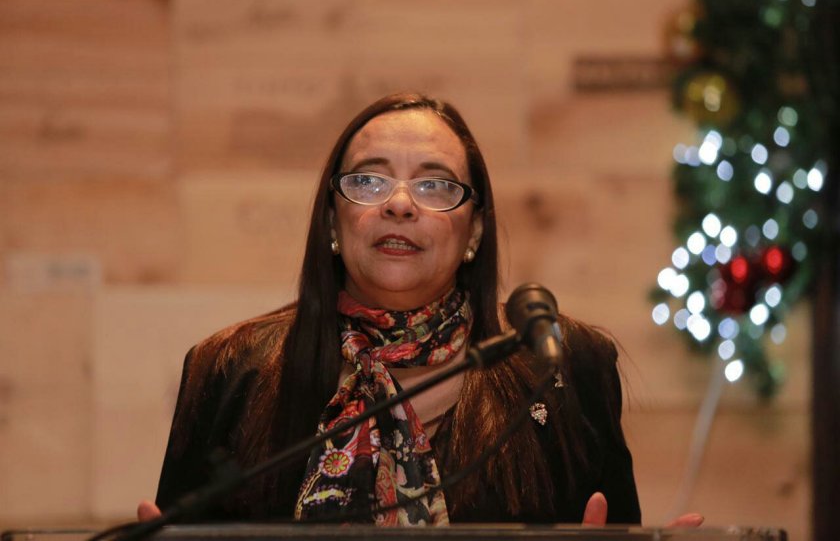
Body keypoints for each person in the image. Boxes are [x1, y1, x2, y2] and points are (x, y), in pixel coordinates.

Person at [137, 92, 702, 528]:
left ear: (474, 231)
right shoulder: (230, 368)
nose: (400, 204)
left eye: (434, 185)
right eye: (369, 180)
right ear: (332, 220)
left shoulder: (562, 363)